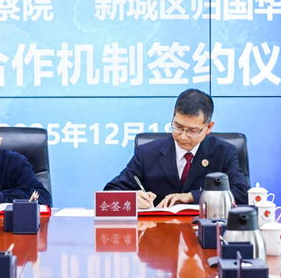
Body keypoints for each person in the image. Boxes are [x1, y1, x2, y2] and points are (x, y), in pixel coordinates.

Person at [104, 89, 249, 208]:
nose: (183, 137)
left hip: (205, 230)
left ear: (209, 127)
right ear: (173, 116)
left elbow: (242, 194)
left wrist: (192, 197)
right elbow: (109, 193)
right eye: (178, 127)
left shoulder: (224, 152)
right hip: (156, 230)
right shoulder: (147, 153)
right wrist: (131, 198)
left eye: (192, 131)